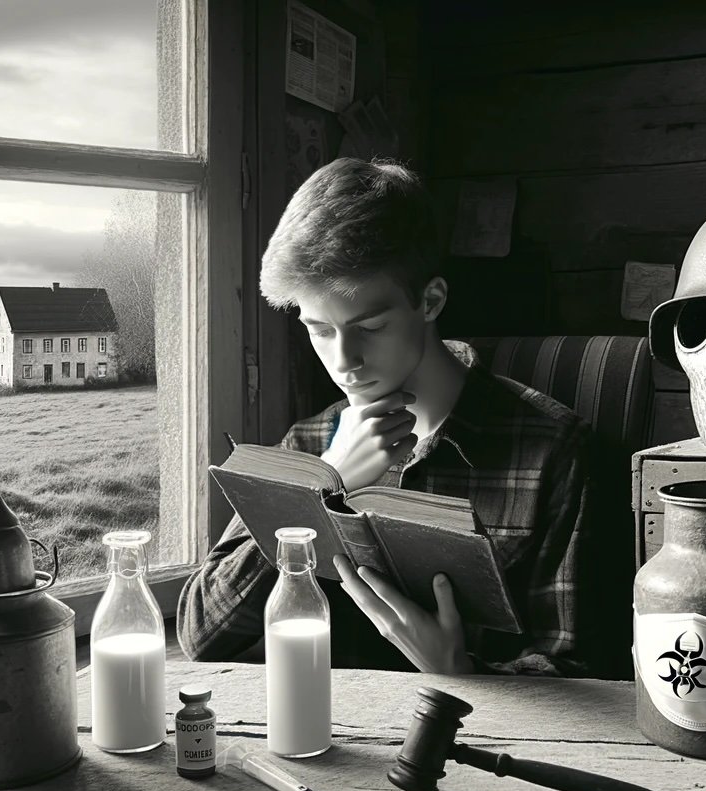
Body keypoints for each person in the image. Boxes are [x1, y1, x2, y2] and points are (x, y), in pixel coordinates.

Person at [177, 157, 596, 676]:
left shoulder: (554, 447)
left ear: (431, 300)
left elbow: (579, 669)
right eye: (319, 329)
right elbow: (200, 633)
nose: (343, 360)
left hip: (481, 745)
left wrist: (462, 671)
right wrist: (321, 487)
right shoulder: (308, 444)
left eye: (369, 326)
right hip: (328, 744)